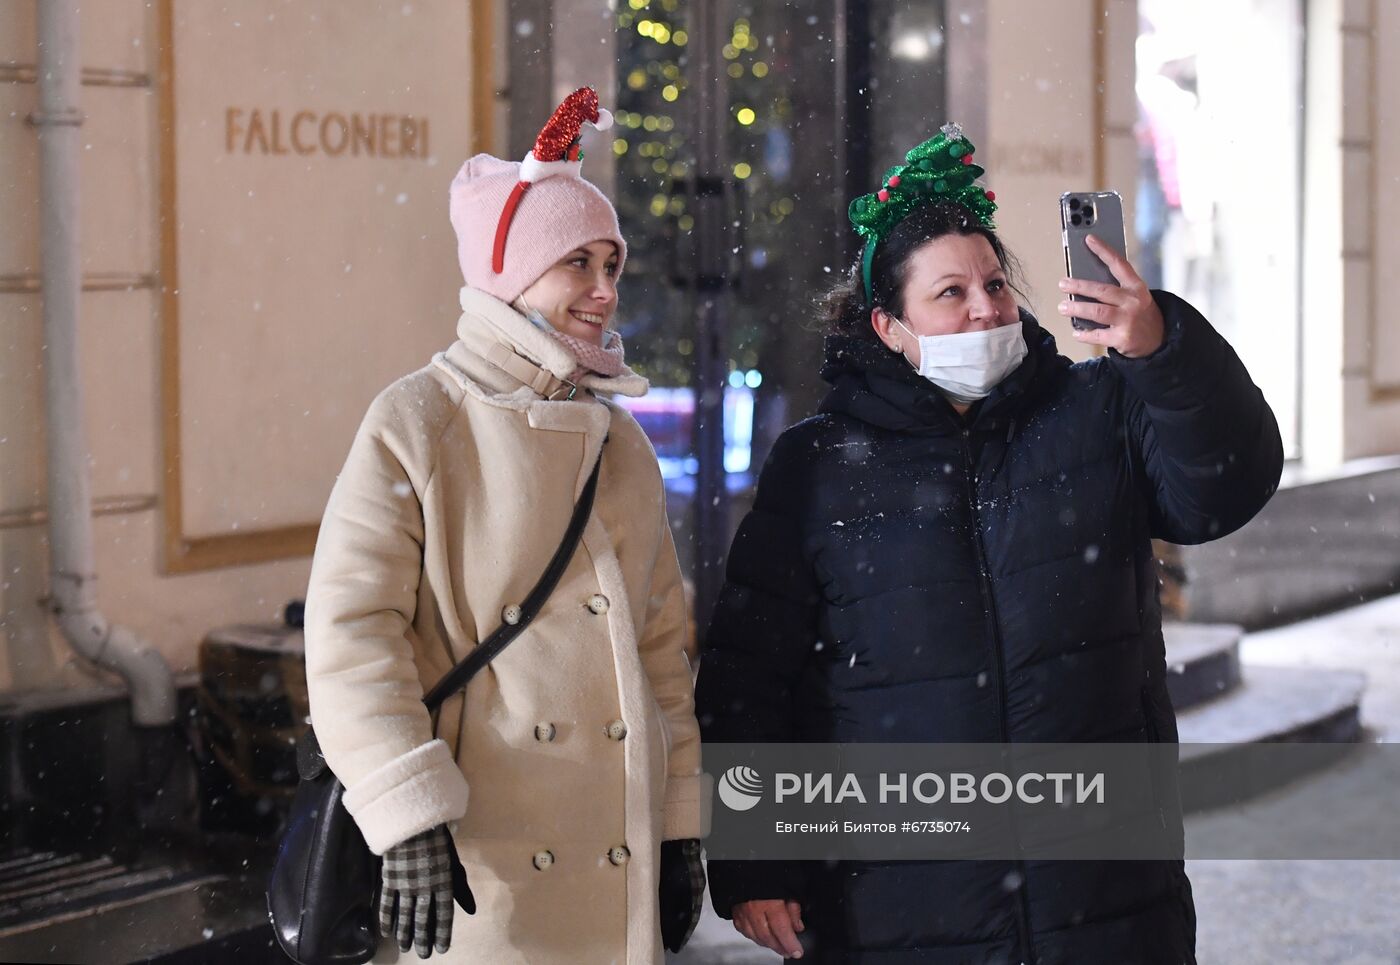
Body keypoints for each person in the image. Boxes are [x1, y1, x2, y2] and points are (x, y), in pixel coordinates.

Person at [695, 123, 1283, 964]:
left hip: (1104, 895)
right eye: (950, 292)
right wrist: (754, 856)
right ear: (889, 326)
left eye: (996, 283)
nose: (986, 307)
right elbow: (750, 676)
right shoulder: (819, 465)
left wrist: (1161, 350)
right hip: (896, 905)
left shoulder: (1099, 411)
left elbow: (1228, 485)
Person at [304, 88, 708, 964]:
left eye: (612, 264)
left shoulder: (621, 443)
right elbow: (352, 636)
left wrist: (678, 820)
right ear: (510, 275)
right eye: (577, 263)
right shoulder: (419, 419)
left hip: (613, 845)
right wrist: (406, 807)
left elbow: (659, 651)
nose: (604, 290)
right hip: (477, 852)